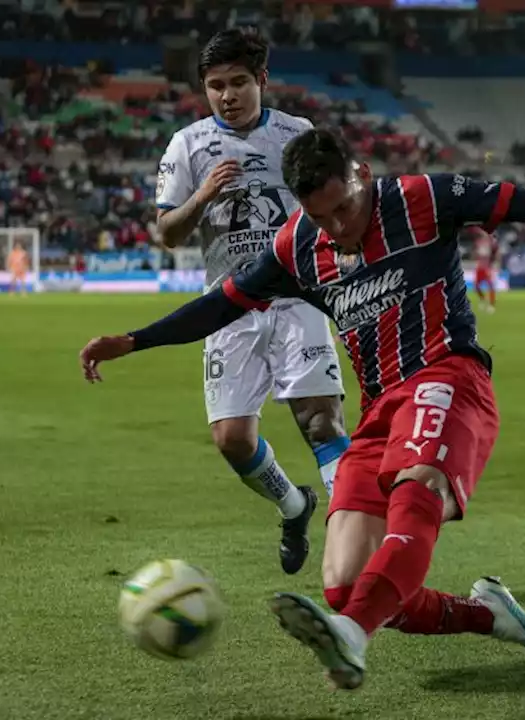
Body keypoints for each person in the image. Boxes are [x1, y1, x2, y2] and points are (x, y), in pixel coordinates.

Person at [79, 127, 525, 690]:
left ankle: (352, 639)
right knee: (344, 586)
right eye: (321, 217)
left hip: (449, 377)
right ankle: (489, 615)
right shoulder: (297, 245)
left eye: (343, 209)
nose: (337, 228)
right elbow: (219, 304)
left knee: (413, 505)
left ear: (359, 176)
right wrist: (134, 341)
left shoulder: (423, 197)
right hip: (382, 409)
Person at [152, 29, 350, 574]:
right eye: (216, 86)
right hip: (229, 307)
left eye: (239, 82)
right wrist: (202, 195)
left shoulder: (297, 133)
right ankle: (294, 505)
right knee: (233, 440)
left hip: (296, 298)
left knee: (322, 423)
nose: (227, 95)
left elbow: (332, 205)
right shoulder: (186, 145)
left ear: (261, 80)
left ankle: (356, 534)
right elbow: (167, 233)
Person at [469, 226, 499, 313]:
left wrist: (496, 264)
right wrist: (474, 255)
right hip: (479, 267)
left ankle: (492, 305)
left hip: (487, 267)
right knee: (476, 287)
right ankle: (482, 299)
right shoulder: (478, 243)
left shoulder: (491, 243)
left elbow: (495, 254)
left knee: (491, 286)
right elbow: (474, 255)